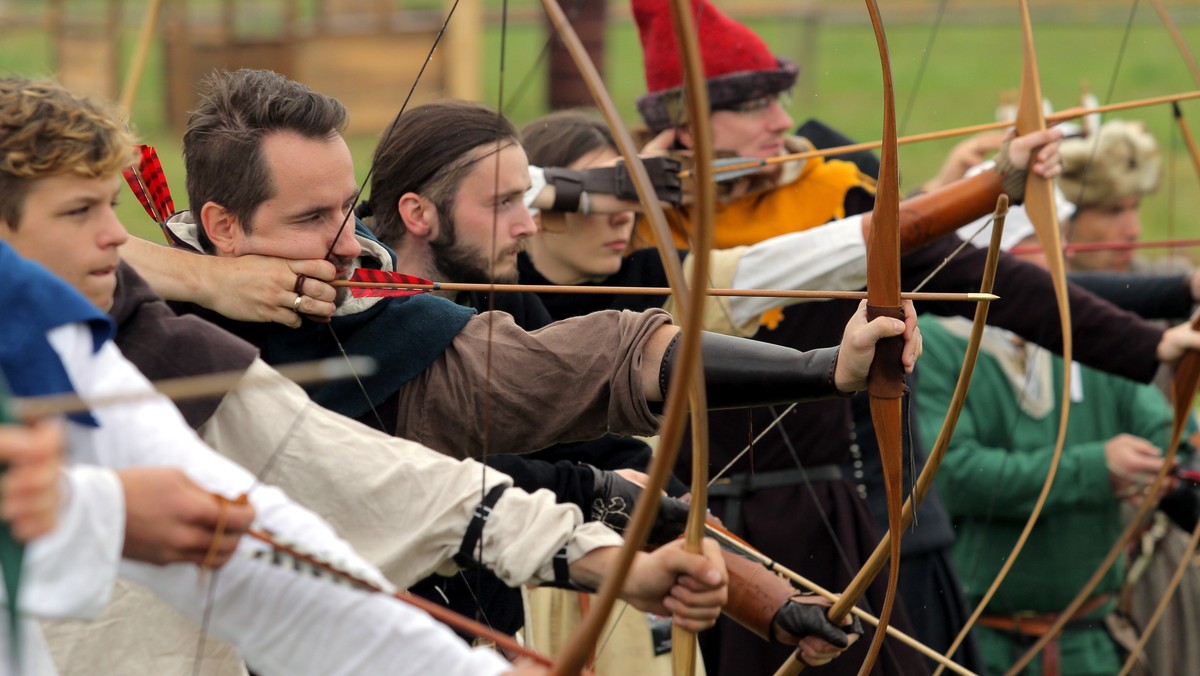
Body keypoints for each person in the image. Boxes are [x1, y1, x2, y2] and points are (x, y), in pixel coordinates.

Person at [0, 76, 732, 676]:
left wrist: (587, 556)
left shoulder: (108, 335)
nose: (114, 239)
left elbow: (314, 513)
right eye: (79, 212)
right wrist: (101, 510)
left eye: (110, 208)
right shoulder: (142, 322)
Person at [627, 1, 1200, 674]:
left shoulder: (835, 192)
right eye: (754, 106)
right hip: (695, 533)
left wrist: (1146, 342)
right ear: (688, 126)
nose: (783, 121)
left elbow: (989, 280)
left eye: (780, 100)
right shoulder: (633, 220)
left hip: (851, 524)